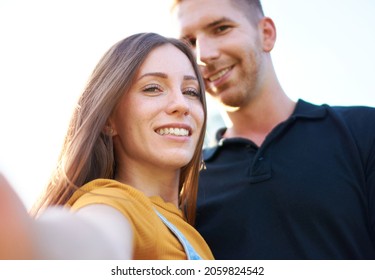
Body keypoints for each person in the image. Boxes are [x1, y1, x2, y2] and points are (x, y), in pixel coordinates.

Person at [171, 0, 375, 259]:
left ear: (266, 33)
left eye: (221, 28)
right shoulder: (183, 180)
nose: (203, 55)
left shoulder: (363, 131)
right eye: (189, 42)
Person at [0, 32, 214, 260]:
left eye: (191, 92)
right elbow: (92, 239)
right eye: (152, 88)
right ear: (109, 120)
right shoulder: (115, 204)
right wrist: (32, 239)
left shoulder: (186, 226)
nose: (181, 105)